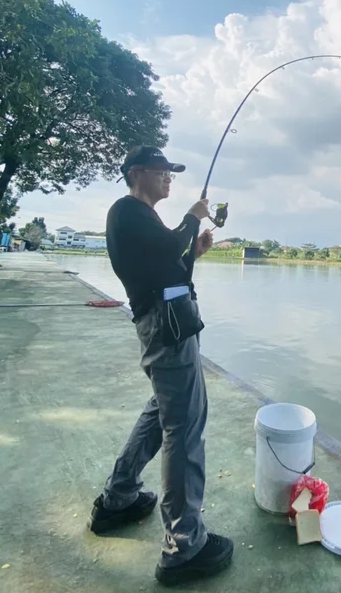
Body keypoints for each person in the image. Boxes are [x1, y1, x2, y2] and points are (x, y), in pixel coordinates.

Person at [87, 145, 233, 586]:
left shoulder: (142, 219)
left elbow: (168, 265)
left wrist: (195, 252)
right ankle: (184, 545)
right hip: (168, 330)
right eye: (162, 171)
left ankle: (119, 496)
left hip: (167, 324)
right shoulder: (126, 210)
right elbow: (170, 245)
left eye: (172, 172)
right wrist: (193, 217)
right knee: (184, 427)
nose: (170, 177)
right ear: (137, 174)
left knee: (161, 413)